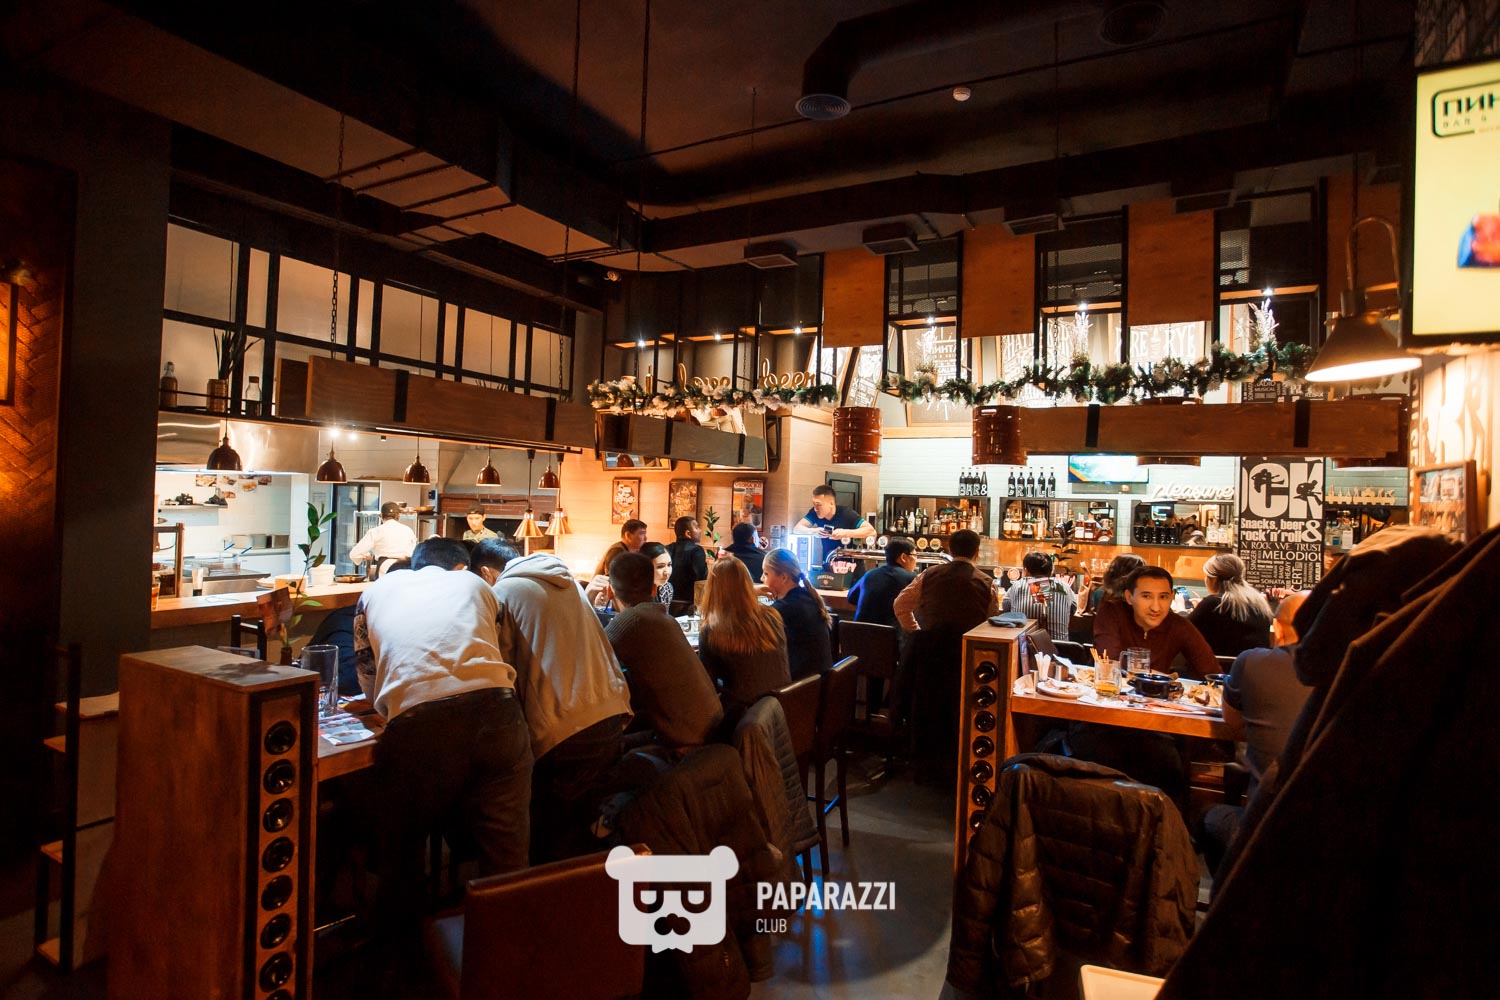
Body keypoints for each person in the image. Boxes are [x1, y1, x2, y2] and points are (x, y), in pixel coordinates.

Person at [353, 536, 531, 945]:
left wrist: (396, 703)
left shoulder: (374, 592)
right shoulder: (476, 585)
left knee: (401, 856)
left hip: (418, 726)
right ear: (459, 565)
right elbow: (499, 651)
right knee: (506, 862)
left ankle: (407, 961)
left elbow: (367, 675)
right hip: (498, 713)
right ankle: (506, 962)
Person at [468, 538, 633, 863]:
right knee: (582, 832)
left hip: (564, 727)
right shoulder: (567, 581)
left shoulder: (503, 594)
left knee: (551, 838)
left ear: (485, 573)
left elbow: (503, 672)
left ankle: (550, 892)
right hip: (610, 713)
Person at [1201, 591, 1314, 872]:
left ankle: (1229, 892)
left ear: (1277, 629)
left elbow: (1232, 722)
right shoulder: (1352, 670)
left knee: (1207, 817)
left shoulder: (1252, 662)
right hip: (1331, 833)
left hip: (1266, 825)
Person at [604, 553, 724, 751]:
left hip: (686, 742)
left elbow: (591, 656)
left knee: (608, 747)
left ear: (609, 591)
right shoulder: (665, 618)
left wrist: (589, 597)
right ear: (654, 589)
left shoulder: (630, 621)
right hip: (713, 728)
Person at [697, 556, 791, 715]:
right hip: (781, 711)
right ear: (748, 583)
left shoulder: (712, 630)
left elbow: (707, 687)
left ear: (712, 588)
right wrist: (746, 592)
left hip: (744, 718)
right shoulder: (772, 616)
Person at [1093, 565, 1218, 679]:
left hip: (1157, 694)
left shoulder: (1178, 625)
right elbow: (1108, 666)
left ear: (1172, 597)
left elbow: (1213, 674)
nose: (1156, 608)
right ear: (1129, 597)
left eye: (1163, 597)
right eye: (1146, 596)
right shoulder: (1113, 613)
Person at [892, 529, 999, 633]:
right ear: (977, 552)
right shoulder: (987, 583)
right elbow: (991, 621)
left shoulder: (928, 575)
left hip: (931, 643)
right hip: (967, 644)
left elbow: (900, 605)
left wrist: (916, 632)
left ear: (950, 550)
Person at [761, 548, 833, 680]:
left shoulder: (782, 609)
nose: (762, 579)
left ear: (783, 577)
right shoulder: (810, 597)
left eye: (766, 574)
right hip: (820, 682)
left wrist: (752, 592)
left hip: (801, 687)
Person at [1189, 552, 1275, 658]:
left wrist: (1182, 609)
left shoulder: (1212, 604)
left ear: (1213, 579)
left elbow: (1183, 631)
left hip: (1220, 667)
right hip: (1255, 665)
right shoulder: (1259, 603)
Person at [1003, 550, 1078, 642]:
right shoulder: (1064, 587)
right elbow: (1073, 609)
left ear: (1026, 570)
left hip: (1024, 648)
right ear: (1051, 571)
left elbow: (1006, 607)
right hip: (1059, 648)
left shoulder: (1017, 586)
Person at [793, 484, 874, 567]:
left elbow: (871, 532)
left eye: (818, 504)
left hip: (852, 565)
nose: (815, 508)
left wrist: (845, 533)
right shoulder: (814, 513)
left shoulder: (846, 513)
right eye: (814, 504)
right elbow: (796, 529)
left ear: (831, 503)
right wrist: (814, 531)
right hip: (829, 563)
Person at [846, 536, 917, 629]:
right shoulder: (912, 579)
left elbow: (851, 598)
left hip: (857, 635)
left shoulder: (869, 574)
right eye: (915, 556)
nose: (916, 560)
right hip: (889, 636)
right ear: (903, 557)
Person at [585, 518, 649, 607]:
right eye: (641, 533)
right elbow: (611, 579)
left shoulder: (628, 551)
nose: (645, 538)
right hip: (602, 598)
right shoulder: (618, 551)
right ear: (628, 535)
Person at [349, 500, 417, 574]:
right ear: (398, 516)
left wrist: (366, 556)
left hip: (385, 568)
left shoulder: (376, 531)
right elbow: (414, 551)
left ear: (381, 516)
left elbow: (354, 554)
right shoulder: (408, 530)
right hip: (406, 569)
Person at [666, 515, 709, 615]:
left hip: (667, 601)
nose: (700, 530)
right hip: (688, 604)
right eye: (697, 527)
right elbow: (700, 578)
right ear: (688, 534)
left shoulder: (667, 548)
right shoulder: (697, 550)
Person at [640, 541, 674, 608]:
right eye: (660, 566)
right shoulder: (634, 591)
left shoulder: (666, 588)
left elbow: (664, 613)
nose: (667, 572)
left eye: (669, 565)